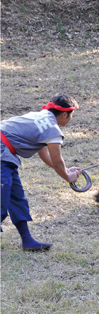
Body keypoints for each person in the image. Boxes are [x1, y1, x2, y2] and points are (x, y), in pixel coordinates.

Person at [1, 94, 81, 251]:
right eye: (71, 115)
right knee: (1, 201)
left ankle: (28, 241)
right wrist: (68, 176)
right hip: (2, 152)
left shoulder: (43, 117)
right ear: (65, 114)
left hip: (6, 157)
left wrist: (64, 171)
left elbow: (45, 153)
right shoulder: (52, 129)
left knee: (16, 197)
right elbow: (58, 162)